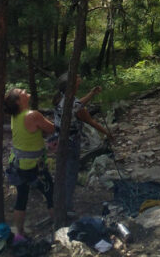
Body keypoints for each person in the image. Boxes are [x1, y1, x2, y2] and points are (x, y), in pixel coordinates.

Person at [53, 72, 112, 215]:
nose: (79, 83)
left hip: (59, 139)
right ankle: (67, 207)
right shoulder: (72, 104)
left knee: (63, 171)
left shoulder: (61, 98)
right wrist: (107, 133)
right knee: (71, 173)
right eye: (77, 83)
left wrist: (91, 94)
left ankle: (59, 202)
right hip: (71, 142)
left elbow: (78, 104)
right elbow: (90, 121)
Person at [4, 86, 55, 244]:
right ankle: (59, 227)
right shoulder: (32, 115)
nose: (26, 91)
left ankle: (19, 233)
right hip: (33, 166)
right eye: (22, 92)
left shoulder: (16, 115)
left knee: (22, 197)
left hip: (17, 164)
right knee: (51, 193)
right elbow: (52, 128)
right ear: (19, 101)